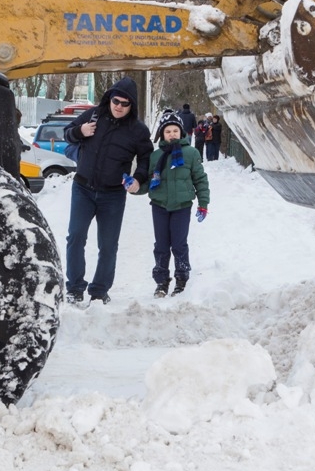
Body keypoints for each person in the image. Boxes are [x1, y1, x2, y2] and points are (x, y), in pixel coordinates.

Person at [62, 77, 152, 305]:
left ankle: (100, 291)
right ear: (110, 98)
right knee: (75, 238)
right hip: (82, 188)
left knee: (108, 245)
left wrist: (139, 179)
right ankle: (74, 288)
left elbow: (146, 158)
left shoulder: (137, 130)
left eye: (125, 103)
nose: (119, 106)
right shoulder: (93, 115)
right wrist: (79, 131)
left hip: (113, 195)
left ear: (132, 106)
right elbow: (67, 133)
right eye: (116, 100)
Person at [139, 109, 209, 297]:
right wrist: (134, 187)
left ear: (181, 132)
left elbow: (200, 179)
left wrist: (203, 203)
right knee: (161, 245)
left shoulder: (191, 153)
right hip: (159, 206)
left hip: (182, 207)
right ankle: (161, 281)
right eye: (168, 131)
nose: (172, 134)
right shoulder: (155, 156)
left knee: (179, 244)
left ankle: (181, 278)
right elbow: (147, 183)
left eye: (175, 131)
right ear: (162, 133)